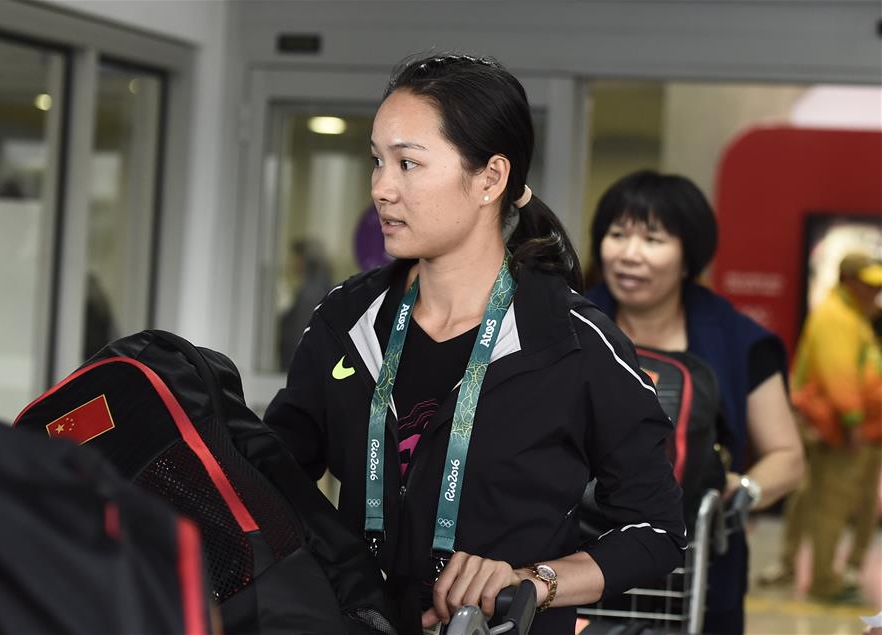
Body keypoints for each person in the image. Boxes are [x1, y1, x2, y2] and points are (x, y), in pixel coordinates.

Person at [262, 54, 686, 634]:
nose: (382, 188)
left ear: (490, 178)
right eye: (377, 162)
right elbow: (276, 476)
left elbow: (655, 530)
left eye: (409, 164)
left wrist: (532, 583)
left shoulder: (570, 341)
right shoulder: (347, 319)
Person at [584, 170, 804, 635]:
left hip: (698, 576)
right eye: (617, 234)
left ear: (689, 257)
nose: (629, 254)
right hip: (575, 561)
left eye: (653, 239)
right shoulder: (566, 322)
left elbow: (787, 458)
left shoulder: (738, 340)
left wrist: (739, 490)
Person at [759, 252, 882, 603]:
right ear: (849, 282)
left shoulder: (853, 317)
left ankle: (823, 573)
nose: (874, 293)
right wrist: (855, 423)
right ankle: (824, 582)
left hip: (850, 430)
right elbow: (840, 378)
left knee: (823, 501)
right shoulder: (836, 318)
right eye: (868, 285)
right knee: (831, 506)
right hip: (839, 431)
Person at [277, 239, 333, 370]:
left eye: (296, 258)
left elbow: (302, 333)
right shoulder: (317, 287)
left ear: (305, 261)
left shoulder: (312, 292)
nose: (293, 263)